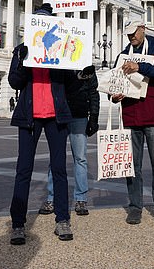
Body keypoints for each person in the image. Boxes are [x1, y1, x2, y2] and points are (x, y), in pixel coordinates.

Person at [8, 3, 76, 245]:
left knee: (59, 169)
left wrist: (75, 62)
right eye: (39, 22)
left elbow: (72, 84)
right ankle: (18, 224)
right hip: (29, 116)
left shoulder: (59, 47)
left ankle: (62, 220)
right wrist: (24, 61)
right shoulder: (21, 50)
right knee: (23, 170)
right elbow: (14, 82)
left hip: (56, 115)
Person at [110, 17, 154, 226]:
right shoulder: (122, 55)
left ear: (143, 28)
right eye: (128, 33)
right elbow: (115, 83)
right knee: (133, 167)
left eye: (134, 32)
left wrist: (140, 67)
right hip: (131, 116)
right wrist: (114, 95)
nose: (131, 36)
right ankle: (135, 207)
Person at [39, 64, 100, 217]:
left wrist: (93, 118)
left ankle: (80, 198)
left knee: (80, 158)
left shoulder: (86, 64)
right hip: (59, 114)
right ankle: (52, 197)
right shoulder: (60, 64)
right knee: (56, 156)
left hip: (79, 115)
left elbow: (94, 93)